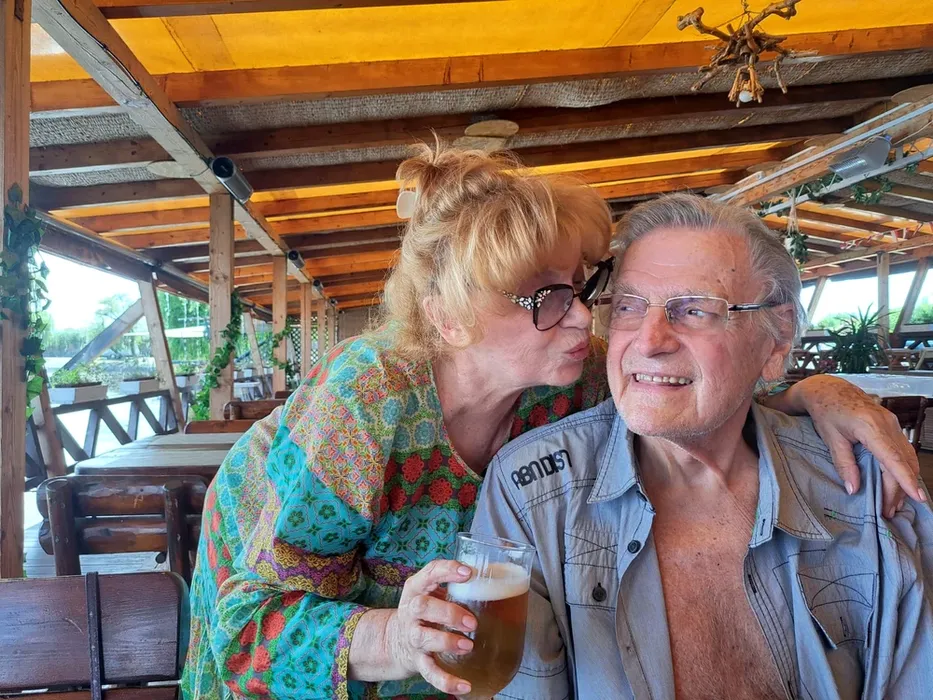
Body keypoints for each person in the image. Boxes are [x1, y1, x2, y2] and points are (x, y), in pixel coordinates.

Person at [181, 146, 922, 700]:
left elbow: (707, 377)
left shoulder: (570, 375)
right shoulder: (365, 404)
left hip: (451, 641)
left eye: (582, 285)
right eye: (542, 296)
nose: (580, 318)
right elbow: (249, 631)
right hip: (289, 616)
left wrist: (823, 392)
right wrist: (390, 638)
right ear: (448, 319)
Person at [473, 193, 933, 699]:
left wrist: (824, 391)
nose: (648, 341)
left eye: (694, 310)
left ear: (777, 339)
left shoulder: (870, 486)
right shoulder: (533, 492)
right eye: (628, 306)